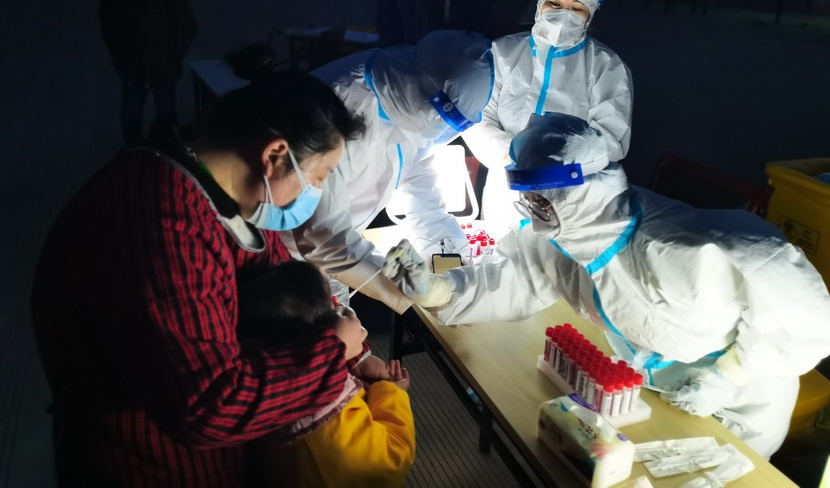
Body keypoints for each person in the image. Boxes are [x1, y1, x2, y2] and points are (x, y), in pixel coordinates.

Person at [384, 112, 830, 459]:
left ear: (583, 188)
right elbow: (517, 279)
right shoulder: (563, 238)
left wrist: (728, 376)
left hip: (739, 402)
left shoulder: (685, 246)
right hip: (647, 387)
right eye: (527, 194)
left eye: (542, 196)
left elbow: (807, 316)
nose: (534, 209)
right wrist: (438, 291)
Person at [31, 46, 368, 487]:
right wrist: (332, 353)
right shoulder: (159, 219)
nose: (315, 193)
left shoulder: (226, 193)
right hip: (147, 464)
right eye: (318, 177)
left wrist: (347, 342)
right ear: (274, 154)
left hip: (214, 454)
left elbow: (273, 274)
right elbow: (208, 406)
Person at [284, 29, 493, 312]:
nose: (442, 128)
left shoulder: (411, 99)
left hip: (336, 253)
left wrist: (446, 246)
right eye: (444, 118)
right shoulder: (338, 106)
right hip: (286, 261)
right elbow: (322, 238)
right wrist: (415, 291)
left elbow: (417, 173)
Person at [462, 0, 632, 236]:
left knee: (556, 260)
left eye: (577, 8)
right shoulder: (503, 53)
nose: (564, 14)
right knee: (500, 255)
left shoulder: (606, 66)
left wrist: (551, 168)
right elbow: (477, 117)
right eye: (555, 2)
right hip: (504, 189)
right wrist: (514, 160)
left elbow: (611, 139)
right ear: (540, 1)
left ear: (591, 15)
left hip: (570, 198)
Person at [237, 261, 415, 487]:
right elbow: (393, 459)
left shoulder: (265, 387)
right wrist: (391, 393)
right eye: (333, 308)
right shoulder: (331, 419)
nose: (339, 306)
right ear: (322, 336)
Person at [98, 0, 197, 146]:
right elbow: (108, 23)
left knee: (166, 112)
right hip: (131, 65)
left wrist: (171, 56)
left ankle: (168, 152)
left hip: (164, 63)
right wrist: (120, 58)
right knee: (132, 113)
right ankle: (133, 152)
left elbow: (186, 24)